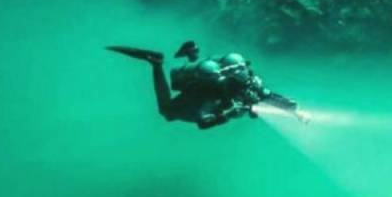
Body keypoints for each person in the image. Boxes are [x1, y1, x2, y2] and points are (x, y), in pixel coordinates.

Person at [107, 40, 310, 129]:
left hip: (207, 79)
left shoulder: (247, 83)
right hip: (196, 95)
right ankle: (156, 64)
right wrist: (225, 115)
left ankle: (185, 53)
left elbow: (269, 96)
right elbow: (203, 122)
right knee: (167, 112)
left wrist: (295, 111)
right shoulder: (213, 96)